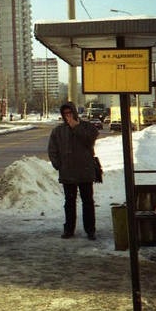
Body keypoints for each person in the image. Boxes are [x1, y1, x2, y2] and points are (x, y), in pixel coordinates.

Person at [48, 102, 99, 240]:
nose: (68, 116)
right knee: (69, 202)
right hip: (68, 173)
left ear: (75, 113)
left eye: (70, 113)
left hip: (85, 171)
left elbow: (90, 139)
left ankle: (90, 230)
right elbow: (52, 149)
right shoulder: (58, 131)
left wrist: (76, 127)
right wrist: (58, 165)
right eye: (65, 114)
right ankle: (69, 229)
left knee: (87, 201)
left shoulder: (87, 127)